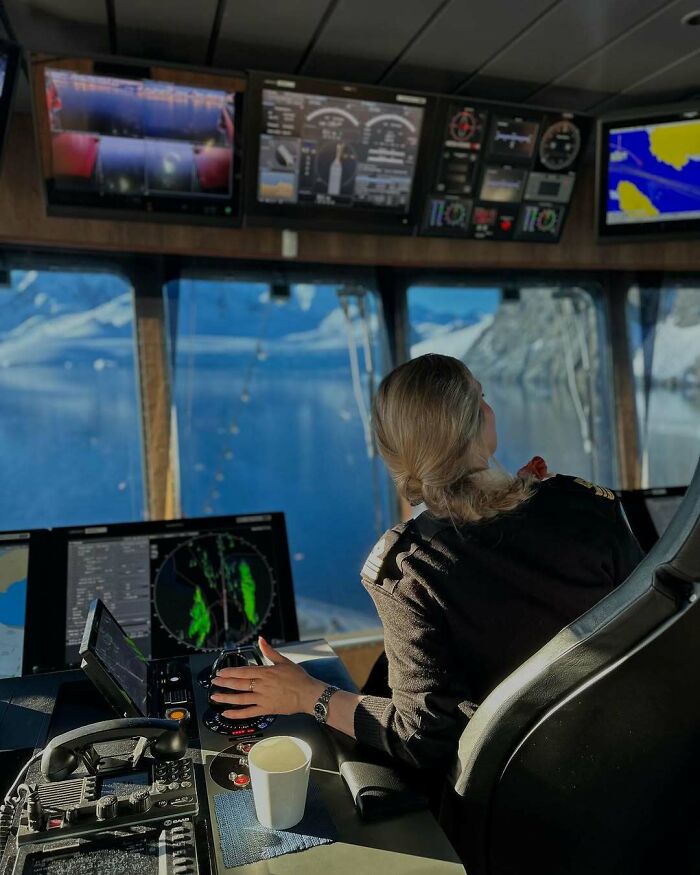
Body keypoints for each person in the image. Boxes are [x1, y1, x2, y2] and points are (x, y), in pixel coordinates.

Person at [212, 354, 644, 770]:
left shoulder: (409, 570)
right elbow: (653, 630)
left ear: (395, 452)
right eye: (479, 397)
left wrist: (309, 696)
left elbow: (422, 738)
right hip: (635, 754)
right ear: (479, 421)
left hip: (522, 798)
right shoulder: (586, 506)